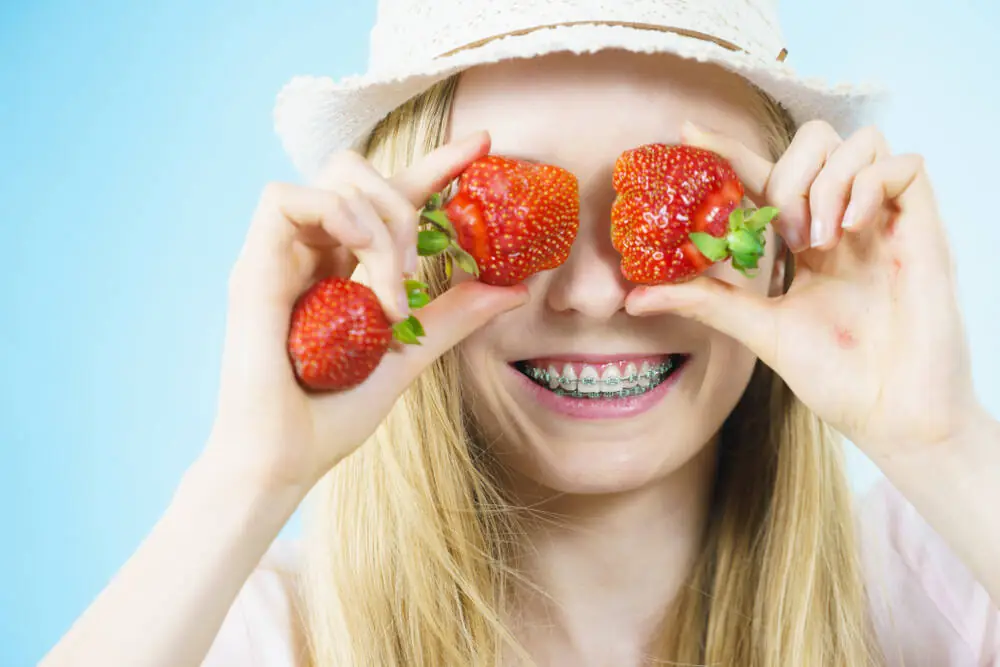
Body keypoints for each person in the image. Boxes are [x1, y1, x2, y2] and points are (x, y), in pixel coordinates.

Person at [40, 0, 1000, 665]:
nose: (588, 293)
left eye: (661, 221)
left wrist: (942, 442)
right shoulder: (258, 635)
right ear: (396, 242)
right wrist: (243, 480)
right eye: (507, 221)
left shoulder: (939, 587)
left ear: (783, 241)